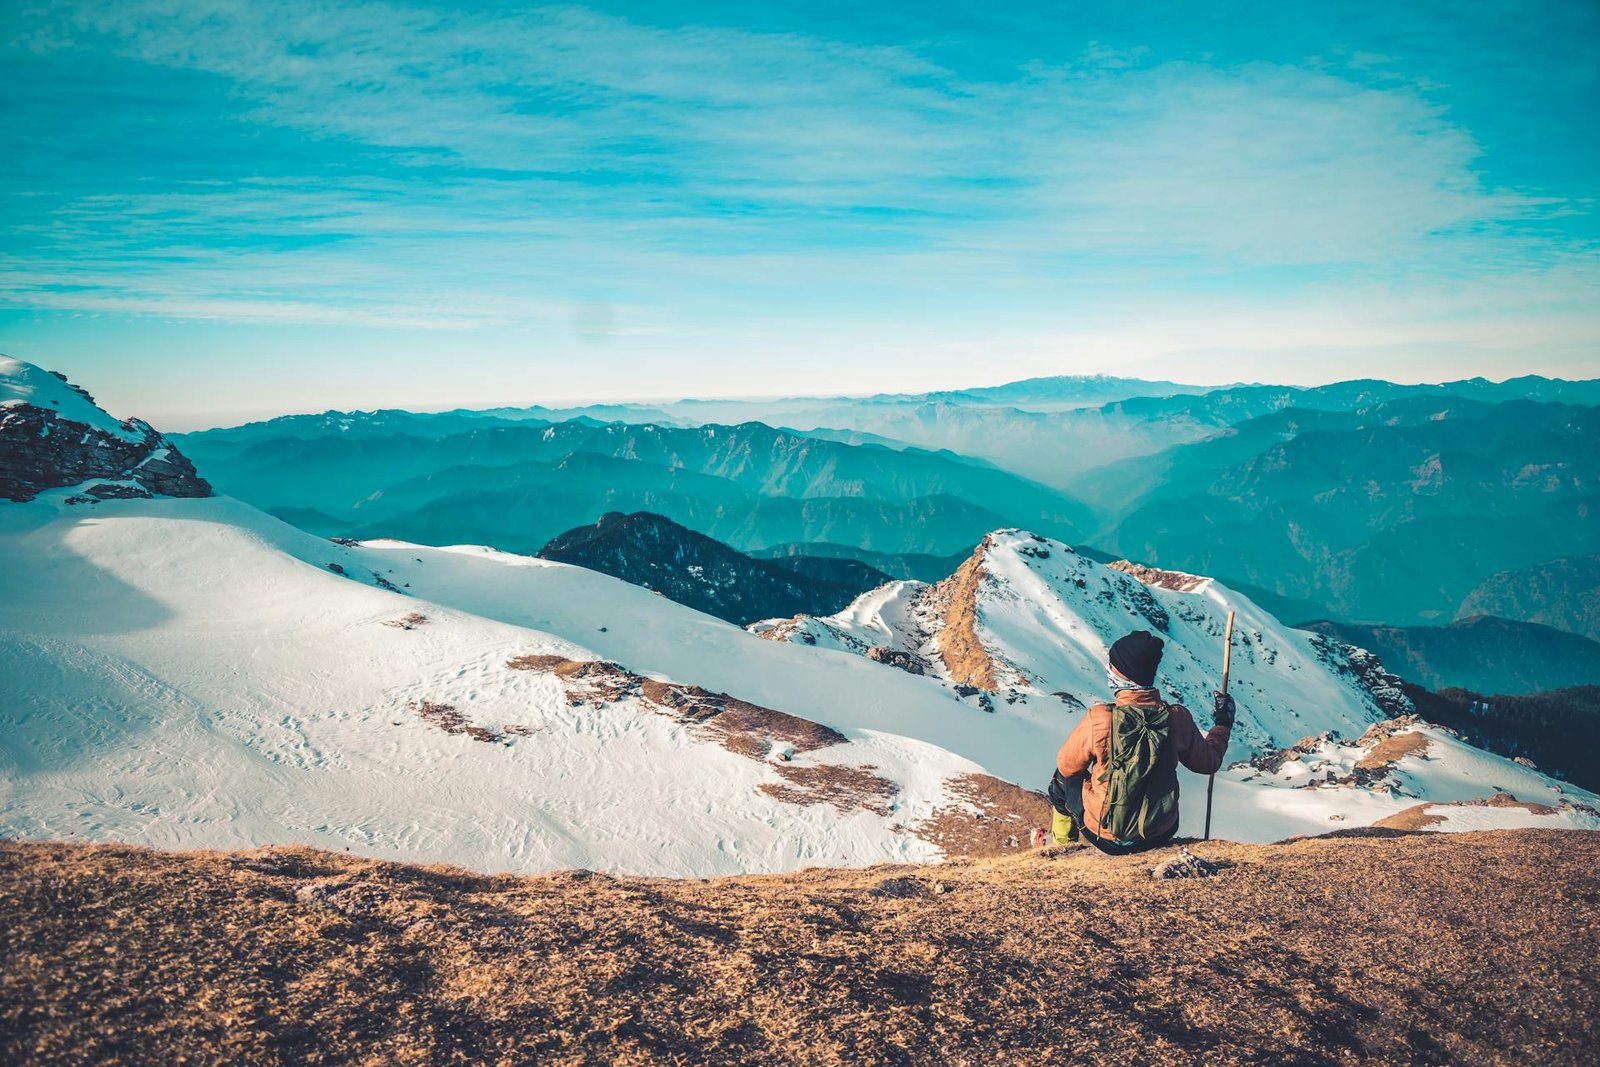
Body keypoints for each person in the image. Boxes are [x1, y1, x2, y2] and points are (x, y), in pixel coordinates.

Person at [1047, 629, 1234, 854]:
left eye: (1112, 665)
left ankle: (1064, 847)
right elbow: (1209, 762)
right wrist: (1223, 723)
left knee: (1059, 782)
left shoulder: (1101, 719)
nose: (1108, 668)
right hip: (1159, 831)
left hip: (1105, 835)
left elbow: (1067, 766)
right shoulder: (1176, 718)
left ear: (1123, 673)